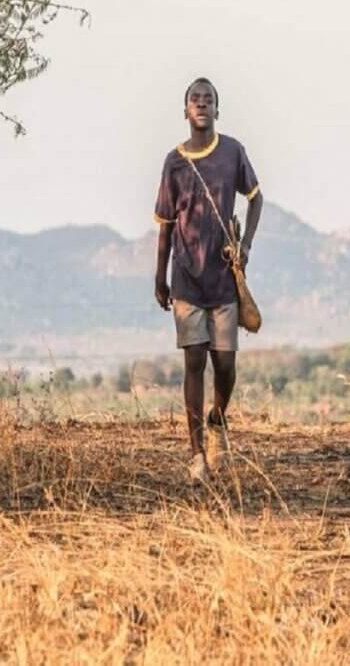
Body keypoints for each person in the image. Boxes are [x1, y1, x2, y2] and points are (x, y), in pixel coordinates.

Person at [153, 77, 263, 484]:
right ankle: (197, 452)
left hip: (223, 278)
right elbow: (165, 226)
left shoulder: (232, 152)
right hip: (185, 277)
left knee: (226, 364)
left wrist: (246, 245)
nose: (201, 104)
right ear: (185, 111)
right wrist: (160, 278)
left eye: (208, 99)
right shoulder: (174, 163)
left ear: (218, 108)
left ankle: (219, 418)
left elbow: (256, 198)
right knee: (194, 361)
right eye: (194, 99)